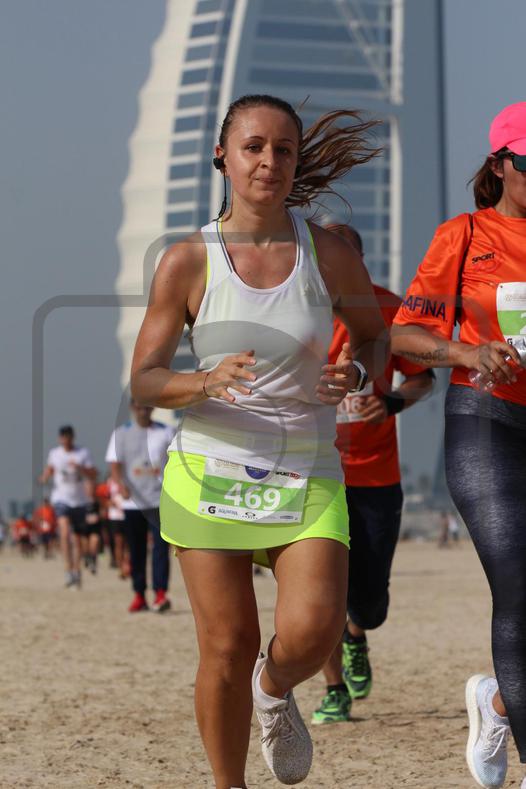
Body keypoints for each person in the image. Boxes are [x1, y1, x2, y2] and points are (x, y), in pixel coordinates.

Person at [131, 93, 389, 789]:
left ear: (297, 161)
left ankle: (273, 688)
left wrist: (355, 371)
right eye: (253, 147)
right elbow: (144, 379)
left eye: (283, 149)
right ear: (223, 156)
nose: (269, 161)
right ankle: (230, 784)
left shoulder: (327, 253)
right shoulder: (188, 260)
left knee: (313, 631)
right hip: (209, 470)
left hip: (306, 467)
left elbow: (375, 336)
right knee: (226, 645)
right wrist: (203, 381)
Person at [391, 102, 526, 789]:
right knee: (520, 587)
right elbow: (403, 334)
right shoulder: (465, 235)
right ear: (501, 164)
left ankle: (498, 702)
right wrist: (467, 351)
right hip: (487, 420)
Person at [310, 224, 434, 725]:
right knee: (318, 592)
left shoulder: (389, 310)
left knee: (369, 603)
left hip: (377, 475)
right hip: (315, 474)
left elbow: (423, 379)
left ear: (359, 264)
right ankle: (333, 688)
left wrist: (391, 402)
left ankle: (357, 634)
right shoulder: (294, 312)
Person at [105, 399, 174, 613]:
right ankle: (139, 594)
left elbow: (176, 461)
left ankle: (160, 593)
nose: (143, 410)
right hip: (133, 502)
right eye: (139, 407)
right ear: (132, 408)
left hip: (160, 500)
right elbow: (114, 464)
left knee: (161, 549)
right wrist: (120, 485)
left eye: (147, 406)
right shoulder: (121, 434)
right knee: (136, 549)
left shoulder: (166, 432)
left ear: (153, 407)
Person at [39, 425, 96, 588]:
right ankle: (68, 569)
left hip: (79, 500)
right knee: (64, 532)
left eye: (68, 437)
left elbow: (93, 474)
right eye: (63, 437)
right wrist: (44, 477)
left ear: (73, 437)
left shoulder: (82, 453)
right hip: (61, 498)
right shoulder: (54, 453)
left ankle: (76, 570)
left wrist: (80, 468)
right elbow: (50, 469)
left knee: (77, 539)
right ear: (60, 439)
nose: (66, 440)